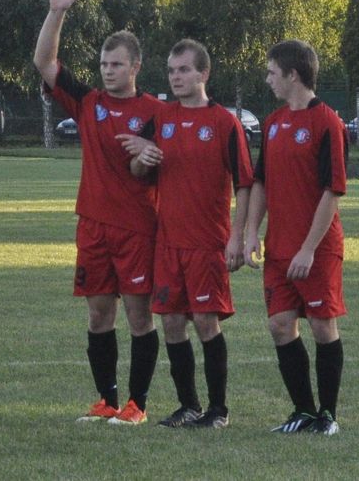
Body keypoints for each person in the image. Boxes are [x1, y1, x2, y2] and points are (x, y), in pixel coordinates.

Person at [33, 0, 161, 425]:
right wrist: (57, 11)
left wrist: (147, 156)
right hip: (93, 225)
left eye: (116, 64)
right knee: (97, 315)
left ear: (134, 68)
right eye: (104, 63)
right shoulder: (89, 104)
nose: (108, 70)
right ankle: (107, 400)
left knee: (139, 317)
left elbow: (165, 168)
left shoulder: (156, 114)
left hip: (138, 227)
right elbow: (45, 62)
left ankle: (137, 405)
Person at [119, 39, 253, 429]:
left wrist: (238, 238)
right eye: (172, 71)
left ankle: (218, 410)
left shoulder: (224, 123)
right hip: (168, 242)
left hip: (208, 242)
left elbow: (244, 184)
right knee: (173, 323)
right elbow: (137, 169)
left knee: (206, 321)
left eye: (183, 70)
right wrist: (140, 161)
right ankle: (188, 406)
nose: (176, 77)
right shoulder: (162, 119)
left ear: (203, 74)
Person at [244, 39, 348, 435]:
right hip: (279, 248)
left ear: (292, 75)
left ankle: (328, 416)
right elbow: (261, 183)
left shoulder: (328, 124)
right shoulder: (272, 124)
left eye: (272, 72)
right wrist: (253, 231)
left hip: (316, 250)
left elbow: (332, 191)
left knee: (323, 327)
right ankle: (303, 411)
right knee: (280, 325)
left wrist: (308, 248)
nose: (268, 79)